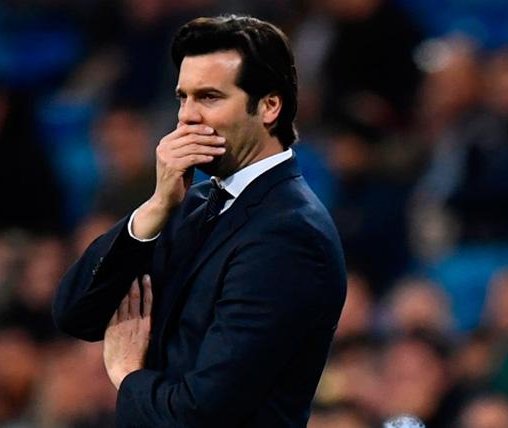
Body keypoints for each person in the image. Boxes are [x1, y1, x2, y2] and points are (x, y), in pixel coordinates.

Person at [52, 15, 347, 427]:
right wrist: (155, 206)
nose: (187, 116)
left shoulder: (290, 234)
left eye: (208, 97)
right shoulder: (189, 205)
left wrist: (127, 375)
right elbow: (76, 312)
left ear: (269, 106)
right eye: (182, 98)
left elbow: (203, 412)